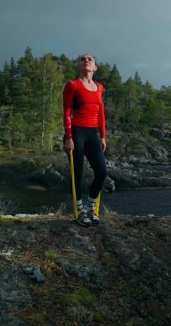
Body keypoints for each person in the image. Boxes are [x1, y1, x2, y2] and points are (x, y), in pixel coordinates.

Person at [62, 53, 108, 227]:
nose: (86, 60)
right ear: (79, 65)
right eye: (83, 59)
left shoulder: (100, 87)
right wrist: (68, 137)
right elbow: (66, 112)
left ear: (95, 67)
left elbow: (101, 114)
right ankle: (79, 212)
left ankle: (90, 208)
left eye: (90, 59)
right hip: (76, 132)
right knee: (78, 174)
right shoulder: (72, 85)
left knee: (102, 172)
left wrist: (102, 136)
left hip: (92, 134)